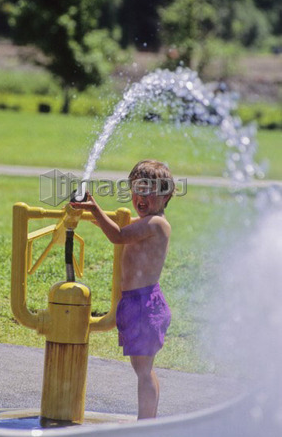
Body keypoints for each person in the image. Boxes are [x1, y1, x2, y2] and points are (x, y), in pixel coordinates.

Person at [71, 159, 175, 419]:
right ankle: (148, 422)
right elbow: (118, 228)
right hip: (134, 302)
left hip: (145, 305)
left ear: (166, 196)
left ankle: (146, 425)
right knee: (143, 369)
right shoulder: (146, 222)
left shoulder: (156, 224)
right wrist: (88, 211)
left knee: (143, 370)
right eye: (137, 190)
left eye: (149, 191)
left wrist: (94, 209)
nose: (141, 197)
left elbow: (118, 235)